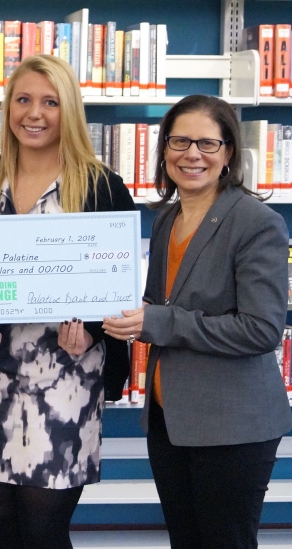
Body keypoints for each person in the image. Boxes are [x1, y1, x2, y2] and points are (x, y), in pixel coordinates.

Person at [0, 54, 134, 549]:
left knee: (44, 529)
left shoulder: (102, 186)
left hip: (66, 381)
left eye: (50, 102)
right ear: (7, 108)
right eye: (23, 99)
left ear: (68, 110)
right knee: (2, 526)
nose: (34, 113)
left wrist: (93, 330)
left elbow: (120, 285)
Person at [103, 94, 292, 549]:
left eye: (208, 144)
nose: (192, 154)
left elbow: (261, 330)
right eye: (180, 141)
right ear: (164, 150)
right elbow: (155, 304)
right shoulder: (166, 220)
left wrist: (158, 321)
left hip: (233, 426)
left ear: (228, 153)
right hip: (171, 420)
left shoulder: (256, 223)